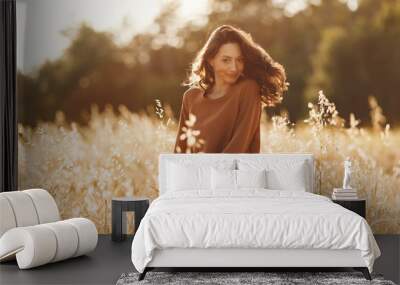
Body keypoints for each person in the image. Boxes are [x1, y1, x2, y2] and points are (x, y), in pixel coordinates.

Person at [174, 24, 288, 153]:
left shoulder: (248, 89)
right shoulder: (191, 97)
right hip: (196, 173)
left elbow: (238, 148)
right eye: (226, 60)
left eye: (239, 60)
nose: (234, 68)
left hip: (233, 172)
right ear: (211, 59)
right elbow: (180, 152)